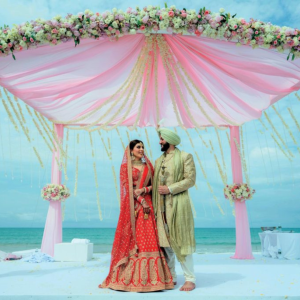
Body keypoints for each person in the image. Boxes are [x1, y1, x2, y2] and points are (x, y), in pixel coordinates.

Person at [99, 140, 174, 292]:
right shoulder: (125, 167)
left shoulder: (149, 166)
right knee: (135, 240)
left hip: (148, 206)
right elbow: (128, 188)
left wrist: (144, 190)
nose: (141, 149)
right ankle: (129, 279)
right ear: (131, 150)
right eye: (138, 147)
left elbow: (155, 185)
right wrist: (141, 201)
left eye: (142, 147)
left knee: (150, 239)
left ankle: (153, 280)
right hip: (134, 208)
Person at [152, 128, 197, 291]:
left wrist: (170, 188)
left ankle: (190, 279)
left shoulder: (185, 156)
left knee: (181, 241)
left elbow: (190, 180)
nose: (160, 142)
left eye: (162, 139)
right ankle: (171, 276)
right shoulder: (158, 161)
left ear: (170, 140)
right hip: (161, 207)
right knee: (165, 243)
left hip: (178, 204)